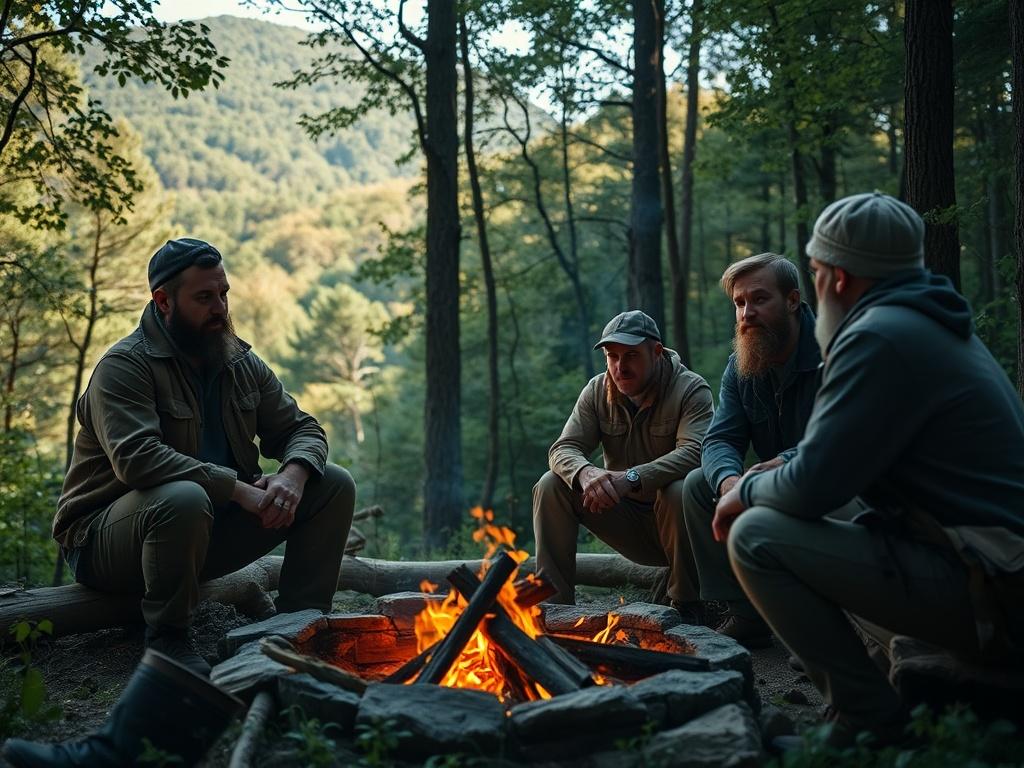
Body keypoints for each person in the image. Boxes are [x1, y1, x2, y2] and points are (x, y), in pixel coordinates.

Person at [713, 192, 1024, 745]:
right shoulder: (924, 323)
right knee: (812, 506)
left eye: (813, 271)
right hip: (991, 566)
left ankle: (870, 720)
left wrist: (749, 488)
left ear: (836, 276)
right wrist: (769, 473)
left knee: (755, 535)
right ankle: (884, 666)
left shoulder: (879, 336)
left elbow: (811, 486)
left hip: (995, 594)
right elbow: (836, 463)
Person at [54, 238, 356, 676]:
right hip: (105, 544)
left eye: (223, 294)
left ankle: (298, 624)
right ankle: (167, 641)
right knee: (183, 498)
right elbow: (138, 459)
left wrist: (291, 476)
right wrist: (237, 490)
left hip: (203, 530)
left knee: (331, 483)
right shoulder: (123, 367)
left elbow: (301, 428)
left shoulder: (237, 360)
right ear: (163, 301)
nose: (220, 308)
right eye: (204, 298)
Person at [532, 310, 714, 621]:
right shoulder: (596, 390)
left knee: (678, 488)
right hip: (624, 520)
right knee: (551, 484)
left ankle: (687, 606)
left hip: (681, 530)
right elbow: (564, 448)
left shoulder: (690, 389)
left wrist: (631, 478)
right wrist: (586, 473)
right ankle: (554, 609)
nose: (620, 367)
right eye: (612, 356)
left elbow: (697, 452)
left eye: (631, 355)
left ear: (656, 352)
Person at [682, 252, 820, 648]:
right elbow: (720, 438)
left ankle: (826, 619)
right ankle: (745, 613)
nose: (747, 313)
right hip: (764, 483)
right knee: (696, 485)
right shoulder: (741, 366)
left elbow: (845, 440)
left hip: (822, 480)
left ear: (792, 300)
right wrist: (728, 481)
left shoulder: (832, 352)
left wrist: (781, 464)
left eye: (759, 299)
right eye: (739, 303)